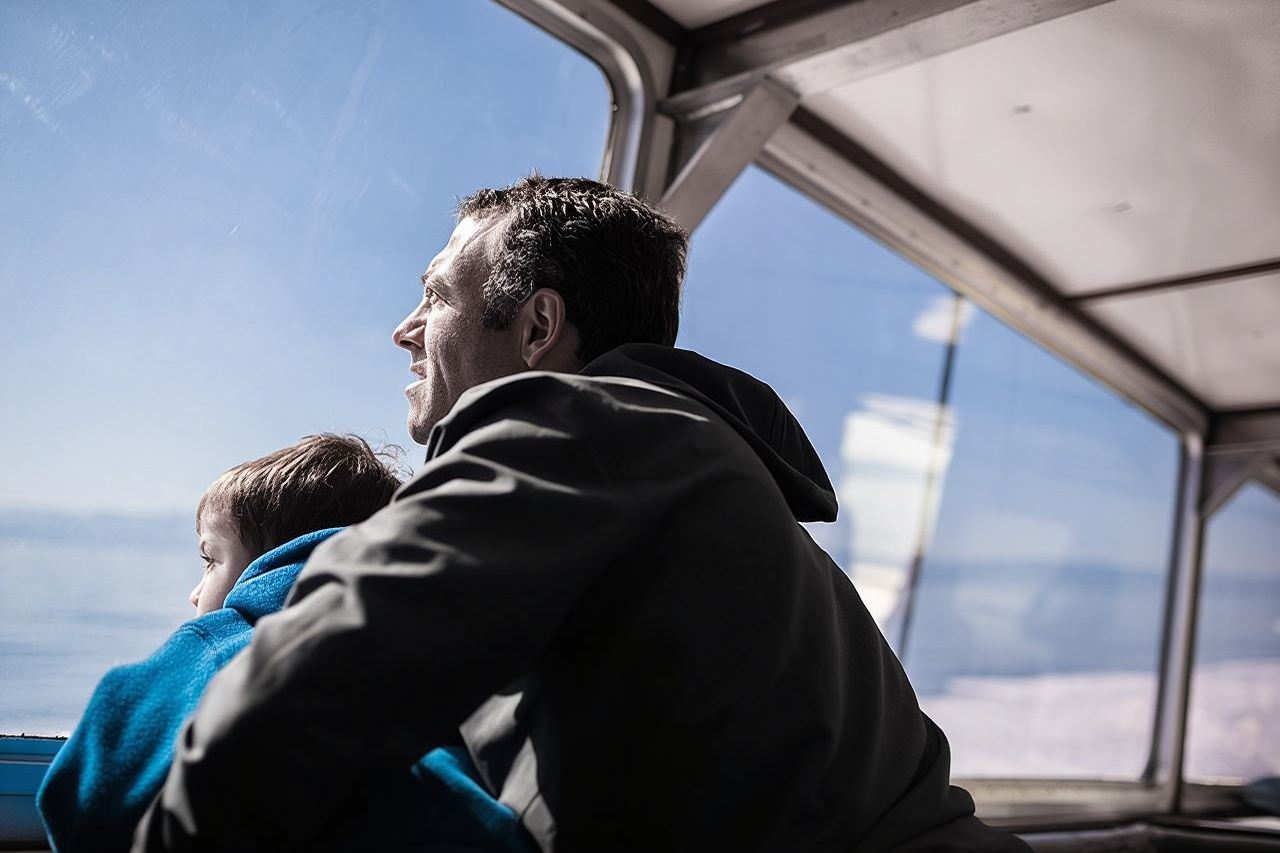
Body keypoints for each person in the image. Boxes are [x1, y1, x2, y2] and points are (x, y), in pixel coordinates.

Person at [135, 177, 1030, 852]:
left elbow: (321, 671)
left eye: (437, 296)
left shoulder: (579, 427)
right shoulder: (706, 486)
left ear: (538, 328)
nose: (405, 329)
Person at [37, 435, 534, 853]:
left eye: (210, 560)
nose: (195, 593)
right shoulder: (437, 655)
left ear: (269, 560)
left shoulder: (226, 643)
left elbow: (83, 801)